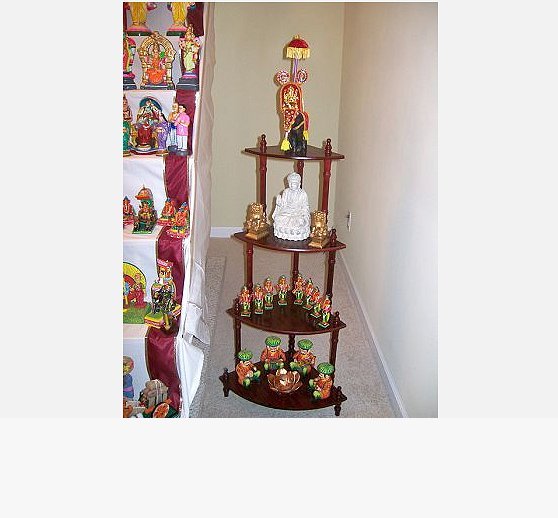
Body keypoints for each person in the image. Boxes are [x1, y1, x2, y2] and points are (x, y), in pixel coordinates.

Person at [272, 171, 310, 240]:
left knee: (301, 221)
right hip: (287, 212)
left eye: (294, 183)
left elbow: (305, 207)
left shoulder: (302, 193)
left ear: (299, 184)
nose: (292, 185)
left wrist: (303, 214)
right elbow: (283, 205)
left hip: (298, 213)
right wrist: (279, 203)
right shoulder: (286, 192)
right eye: (290, 183)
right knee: (277, 218)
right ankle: (288, 230)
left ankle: (294, 229)